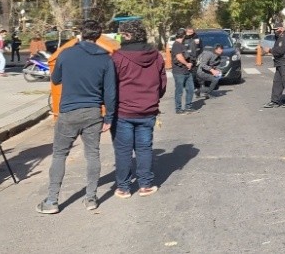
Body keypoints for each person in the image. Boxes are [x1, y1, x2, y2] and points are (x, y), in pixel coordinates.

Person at [36, 20, 116, 213]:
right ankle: (91, 199)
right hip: (93, 112)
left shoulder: (66, 54)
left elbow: (55, 79)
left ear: (81, 34)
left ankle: (52, 201)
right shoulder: (106, 59)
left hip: (68, 112)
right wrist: (109, 118)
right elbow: (110, 92)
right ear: (98, 36)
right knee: (92, 154)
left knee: (60, 154)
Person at [110, 20, 166, 198]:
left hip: (124, 111)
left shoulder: (117, 57)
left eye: (121, 34)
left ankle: (124, 188)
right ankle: (145, 185)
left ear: (127, 35)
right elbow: (162, 84)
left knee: (123, 150)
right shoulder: (156, 56)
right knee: (144, 148)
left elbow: (110, 86)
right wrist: (153, 98)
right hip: (148, 109)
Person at [264, 22, 285, 108]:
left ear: (282, 28)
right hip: (280, 63)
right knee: (277, 82)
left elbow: (280, 51)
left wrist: (270, 50)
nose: (275, 31)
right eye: (274, 30)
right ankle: (275, 101)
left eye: (277, 29)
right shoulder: (279, 37)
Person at [170, 28, 196, 114]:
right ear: (183, 35)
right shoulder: (176, 45)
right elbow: (179, 57)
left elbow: (186, 55)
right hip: (179, 72)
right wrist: (186, 64)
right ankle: (178, 108)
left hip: (187, 71)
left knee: (191, 89)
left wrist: (190, 63)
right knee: (179, 91)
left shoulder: (182, 44)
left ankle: (188, 106)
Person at [182, 26, 203, 97]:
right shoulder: (183, 39)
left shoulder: (197, 38)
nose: (190, 34)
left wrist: (199, 58)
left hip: (195, 60)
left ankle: (197, 88)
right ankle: (190, 88)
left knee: (195, 75)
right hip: (185, 60)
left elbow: (201, 49)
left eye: (192, 32)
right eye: (189, 32)